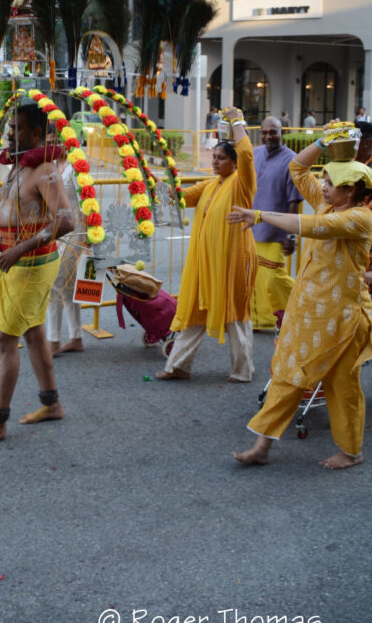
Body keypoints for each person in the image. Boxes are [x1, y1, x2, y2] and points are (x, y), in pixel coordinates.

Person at [229, 140, 372, 470]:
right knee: (288, 373)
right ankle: (262, 446)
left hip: (345, 319)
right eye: (324, 181)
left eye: (331, 183)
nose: (323, 187)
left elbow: (309, 227)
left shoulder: (360, 219)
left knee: (342, 385)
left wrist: (260, 215)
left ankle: (351, 452)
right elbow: (297, 169)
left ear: (350, 192)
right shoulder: (329, 206)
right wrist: (324, 141)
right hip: (309, 314)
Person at [0, 102, 74, 442]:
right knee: (34, 332)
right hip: (18, 261)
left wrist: (19, 249)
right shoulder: (18, 168)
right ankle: (51, 404)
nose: (10, 134)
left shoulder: (44, 170)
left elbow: (66, 220)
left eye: (18, 129)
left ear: (38, 134)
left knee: (4, 340)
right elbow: (11, 217)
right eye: (10, 128)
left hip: (32, 264)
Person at [155, 107, 257, 382]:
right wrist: (152, 182)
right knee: (195, 311)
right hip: (205, 262)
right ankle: (177, 366)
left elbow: (247, 153)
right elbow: (181, 198)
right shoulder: (211, 185)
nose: (215, 161)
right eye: (213, 157)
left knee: (234, 314)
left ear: (235, 163)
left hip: (233, 261)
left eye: (221, 158)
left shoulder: (242, 184)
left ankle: (243, 369)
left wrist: (237, 121)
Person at [251, 116, 302, 329]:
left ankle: (304, 307)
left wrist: (290, 236)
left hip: (276, 232)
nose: (268, 136)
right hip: (251, 227)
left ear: (282, 133)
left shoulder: (293, 160)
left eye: (273, 132)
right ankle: (262, 319)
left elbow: (294, 200)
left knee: (274, 278)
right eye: (264, 132)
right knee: (255, 278)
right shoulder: (254, 154)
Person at [46, 135, 86, 356]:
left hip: (75, 231)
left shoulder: (76, 168)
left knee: (55, 284)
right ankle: (76, 337)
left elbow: (87, 202)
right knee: (67, 287)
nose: (51, 147)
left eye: (55, 142)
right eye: (47, 142)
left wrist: (89, 236)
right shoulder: (50, 166)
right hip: (56, 231)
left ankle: (52, 341)